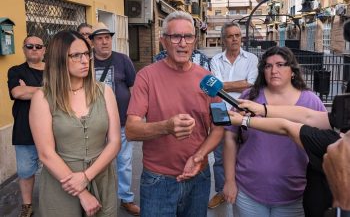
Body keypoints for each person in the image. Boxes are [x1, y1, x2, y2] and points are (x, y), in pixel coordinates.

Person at [125, 11, 224, 217]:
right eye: (175, 37)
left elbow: (219, 127)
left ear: (194, 40)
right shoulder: (146, 77)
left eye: (188, 37)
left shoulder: (209, 79)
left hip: (199, 178)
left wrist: (198, 157)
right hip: (157, 180)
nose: (182, 43)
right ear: (163, 41)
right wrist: (166, 127)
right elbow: (132, 130)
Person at [223, 46, 326, 217]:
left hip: (294, 194)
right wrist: (229, 180)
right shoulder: (250, 96)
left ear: (292, 70)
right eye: (268, 66)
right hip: (248, 191)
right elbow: (230, 137)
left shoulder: (311, 101)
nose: (273, 70)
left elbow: (324, 141)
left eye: (280, 65)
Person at [29, 30, 120, 216]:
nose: (85, 60)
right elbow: (46, 153)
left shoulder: (104, 92)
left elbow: (115, 141)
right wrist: (82, 192)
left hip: (101, 177)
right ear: (59, 59)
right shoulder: (43, 98)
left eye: (87, 54)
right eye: (76, 55)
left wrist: (87, 176)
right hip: (61, 182)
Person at [89, 22, 139, 216]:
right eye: (100, 38)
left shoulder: (123, 60)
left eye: (107, 38)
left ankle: (126, 198)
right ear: (92, 42)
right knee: (97, 162)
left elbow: (134, 90)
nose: (104, 42)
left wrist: (135, 116)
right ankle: (97, 197)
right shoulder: (87, 61)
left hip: (122, 122)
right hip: (95, 124)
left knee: (124, 162)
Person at [208, 22, 258, 209]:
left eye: (237, 35)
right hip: (221, 110)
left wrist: (224, 85)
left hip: (245, 109)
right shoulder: (216, 60)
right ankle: (221, 191)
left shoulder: (251, 59)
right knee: (220, 155)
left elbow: (252, 84)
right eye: (230, 36)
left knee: (246, 152)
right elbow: (214, 88)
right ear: (224, 39)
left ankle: (244, 189)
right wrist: (242, 83)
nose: (235, 39)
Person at [7, 36, 45, 217]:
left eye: (38, 46)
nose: (34, 49)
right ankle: (27, 206)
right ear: (24, 49)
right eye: (30, 46)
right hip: (25, 130)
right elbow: (17, 92)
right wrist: (47, 90)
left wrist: (30, 89)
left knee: (54, 171)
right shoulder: (15, 71)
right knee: (25, 172)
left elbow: (64, 92)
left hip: (52, 130)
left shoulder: (54, 70)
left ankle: (53, 203)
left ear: (44, 50)